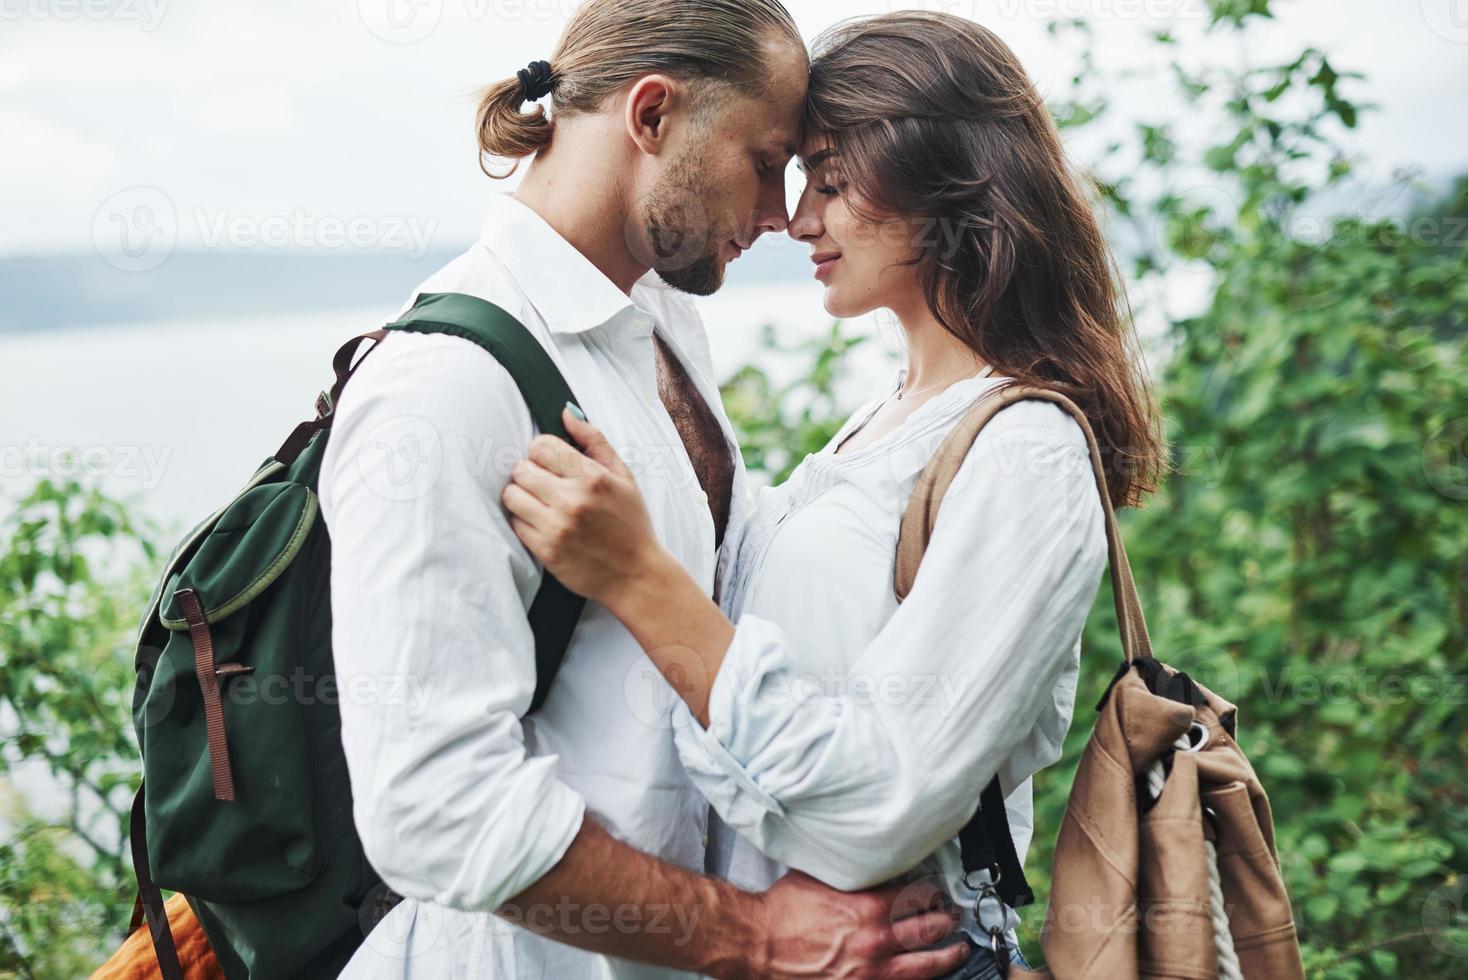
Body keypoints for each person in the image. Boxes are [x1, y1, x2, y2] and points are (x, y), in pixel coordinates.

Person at [501, 11, 1167, 979]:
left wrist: (637, 576)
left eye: (829, 178)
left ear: (946, 186)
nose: (794, 216)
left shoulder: (1027, 447)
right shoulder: (886, 418)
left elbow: (882, 807)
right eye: (794, 174)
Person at [321, 1, 971, 978]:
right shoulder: (444, 388)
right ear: (653, 115)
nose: (778, 214)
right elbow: (430, 810)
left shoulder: (654, 321)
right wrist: (753, 937)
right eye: (764, 161)